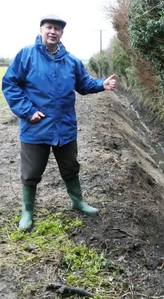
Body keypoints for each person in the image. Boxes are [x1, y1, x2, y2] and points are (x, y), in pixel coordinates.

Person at [2, 14, 117, 231]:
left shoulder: (71, 61)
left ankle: (78, 202)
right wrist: (27, 111)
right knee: (31, 171)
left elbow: (84, 84)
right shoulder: (26, 55)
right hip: (36, 127)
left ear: (62, 33)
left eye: (57, 29)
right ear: (41, 30)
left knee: (70, 167)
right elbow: (10, 84)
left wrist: (103, 83)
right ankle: (28, 211)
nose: (53, 32)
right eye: (49, 27)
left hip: (64, 127)